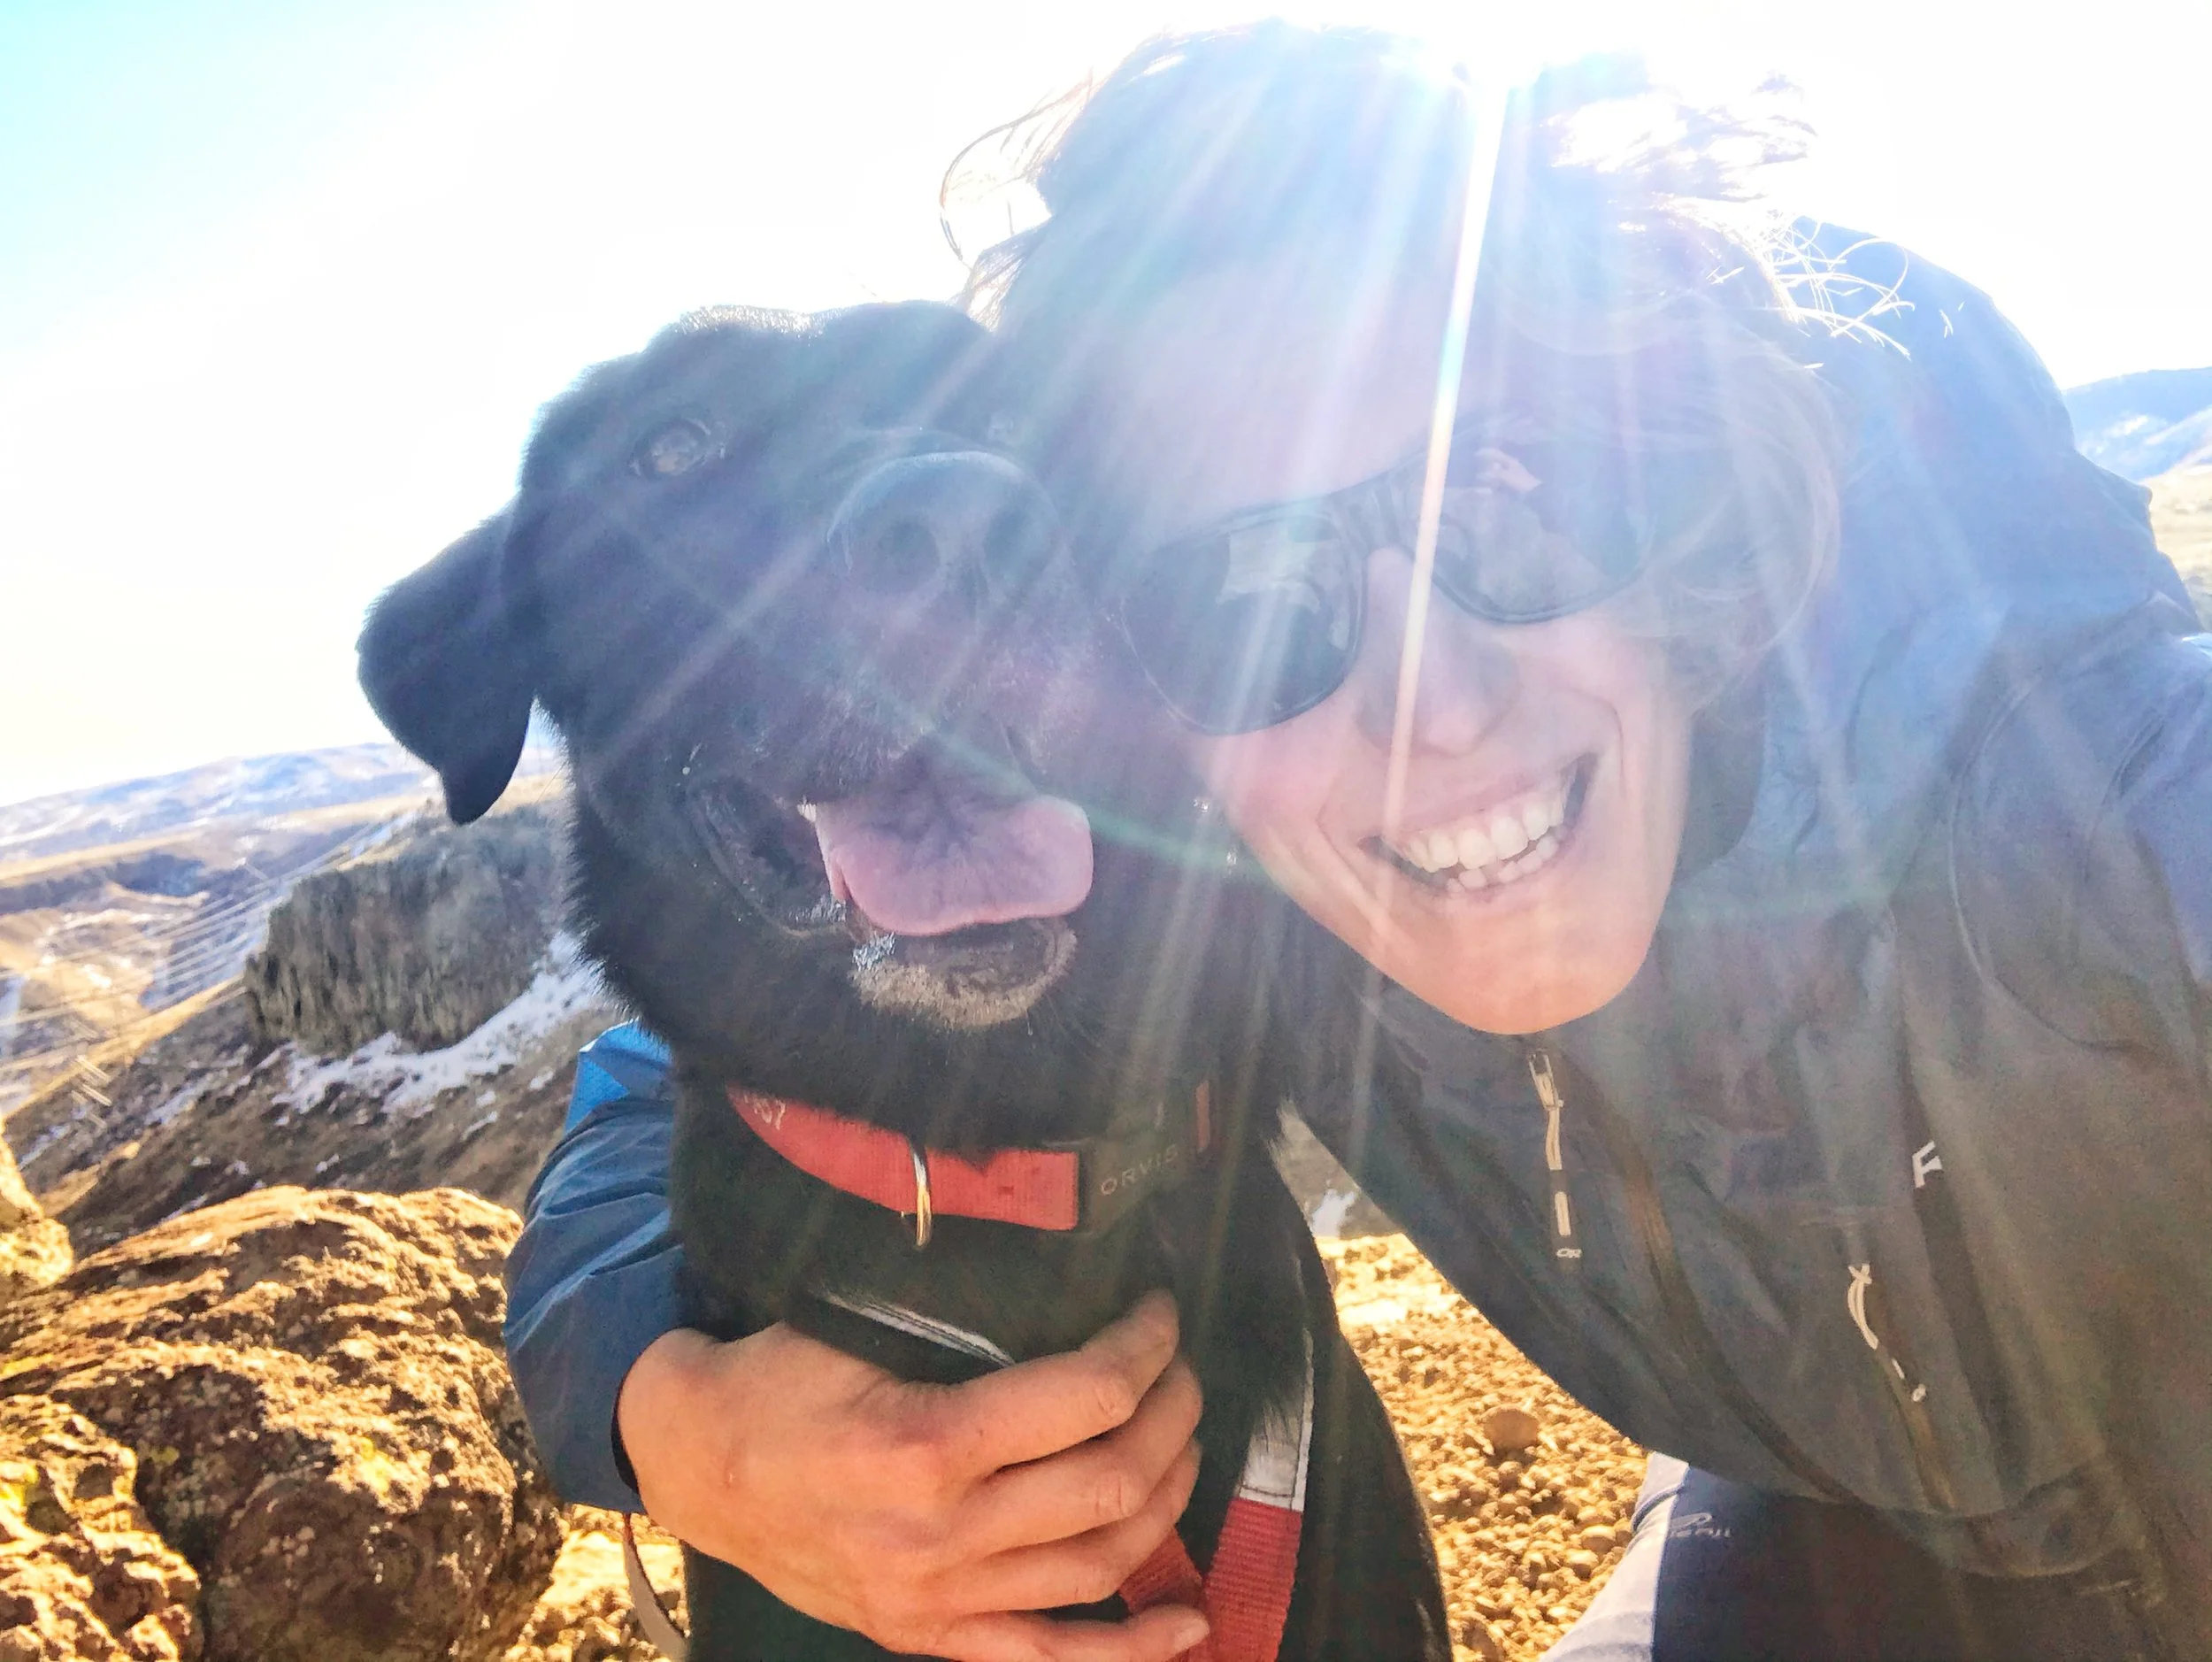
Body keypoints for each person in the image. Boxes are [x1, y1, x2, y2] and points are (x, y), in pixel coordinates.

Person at [503, 25, 2209, 1661]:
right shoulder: (1265, 859)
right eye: (1248, 588)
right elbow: (664, 1086)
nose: (1431, 708)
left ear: (1673, 469)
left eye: (1508, 494)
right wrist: (681, 1421)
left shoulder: (2066, 808)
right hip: (1852, 1522)